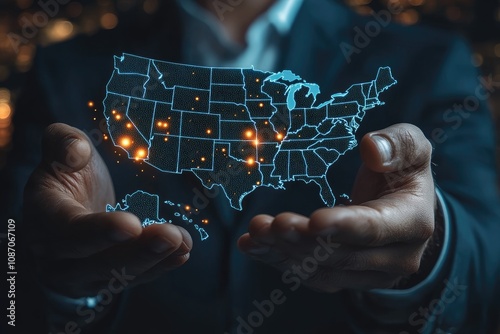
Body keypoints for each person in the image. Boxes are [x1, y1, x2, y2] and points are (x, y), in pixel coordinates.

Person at [3, 0, 500, 333]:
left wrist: (430, 251)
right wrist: (57, 277)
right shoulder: (68, 70)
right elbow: (8, 275)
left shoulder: (427, 60)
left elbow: (487, 265)